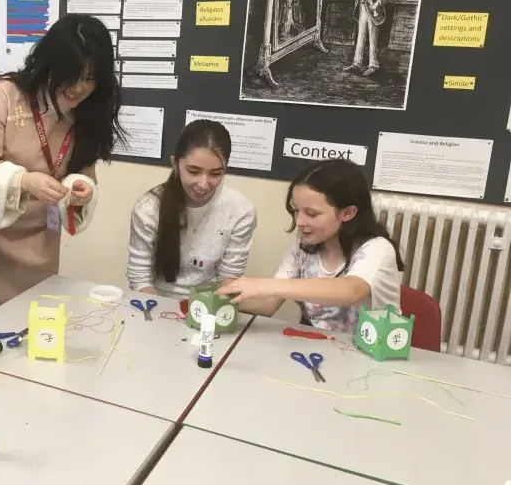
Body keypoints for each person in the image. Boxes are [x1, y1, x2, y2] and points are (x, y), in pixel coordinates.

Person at [0, 14, 124, 305]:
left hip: (39, 242)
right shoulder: (5, 96)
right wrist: (25, 182)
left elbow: (84, 173)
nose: (78, 88)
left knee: (32, 319)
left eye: (90, 78)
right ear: (48, 63)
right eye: (70, 74)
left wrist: (81, 189)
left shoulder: (89, 112)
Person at [216, 159, 404, 334]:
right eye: (296, 210)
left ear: (347, 213)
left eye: (312, 214)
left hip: (374, 356)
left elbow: (351, 291)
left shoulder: (377, 249)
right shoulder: (303, 247)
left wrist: (265, 285)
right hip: (323, 350)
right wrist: (215, 298)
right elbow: (268, 304)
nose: (299, 222)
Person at [127, 120, 257, 299]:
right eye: (194, 171)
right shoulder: (148, 208)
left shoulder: (241, 211)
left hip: (211, 303)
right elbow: (139, 278)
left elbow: (229, 280)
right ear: (175, 164)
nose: (203, 184)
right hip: (157, 302)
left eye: (216, 173)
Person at [328, 0, 402, 76]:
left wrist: (379, 2)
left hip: (374, 8)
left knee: (372, 36)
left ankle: (373, 64)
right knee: (361, 35)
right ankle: (357, 62)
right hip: (361, 6)